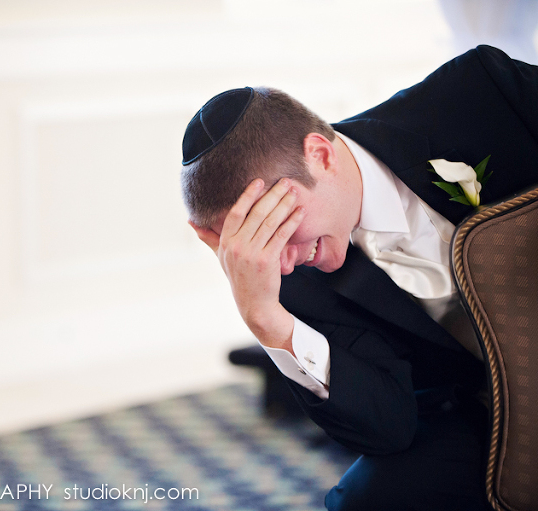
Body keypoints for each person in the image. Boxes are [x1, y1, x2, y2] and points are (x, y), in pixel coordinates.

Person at [180, 45, 538, 510]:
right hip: (491, 408)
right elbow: (388, 431)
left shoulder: (478, 92)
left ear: (320, 156)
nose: (280, 263)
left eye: (277, 226)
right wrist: (265, 317)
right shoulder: (284, 278)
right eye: (253, 242)